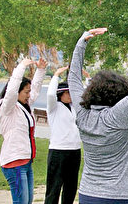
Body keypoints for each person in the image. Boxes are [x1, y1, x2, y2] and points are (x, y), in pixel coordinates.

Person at [68, 28, 128, 204]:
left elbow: (73, 79)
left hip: (87, 194)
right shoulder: (119, 115)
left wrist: (81, 43)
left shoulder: (83, 114)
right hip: (119, 197)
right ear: (121, 95)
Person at [0, 58, 48, 204]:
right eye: (26, 92)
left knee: (27, 201)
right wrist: (21, 67)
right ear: (17, 92)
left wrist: (41, 70)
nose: (29, 95)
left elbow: (36, 90)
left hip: (26, 162)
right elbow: (12, 90)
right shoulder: (7, 107)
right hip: (14, 163)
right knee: (21, 202)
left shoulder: (24, 106)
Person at [44, 66, 81, 204]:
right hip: (58, 151)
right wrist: (56, 75)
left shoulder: (73, 108)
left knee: (70, 189)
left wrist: (87, 78)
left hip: (74, 151)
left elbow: (86, 97)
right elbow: (49, 95)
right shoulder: (54, 107)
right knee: (54, 189)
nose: (71, 95)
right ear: (61, 93)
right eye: (68, 92)